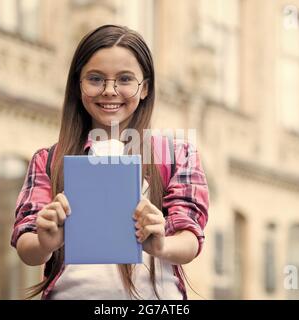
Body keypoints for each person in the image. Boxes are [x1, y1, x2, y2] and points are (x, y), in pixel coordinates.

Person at [11, 24, 209, 300]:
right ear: (78, 85)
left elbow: (190, 237)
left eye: (125, 79)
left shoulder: (178, 155)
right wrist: (46, 241)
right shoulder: (48, 161)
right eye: (95, 79)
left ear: (145, 89)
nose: (109, 90)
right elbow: (26, 246)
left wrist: (160, 244)